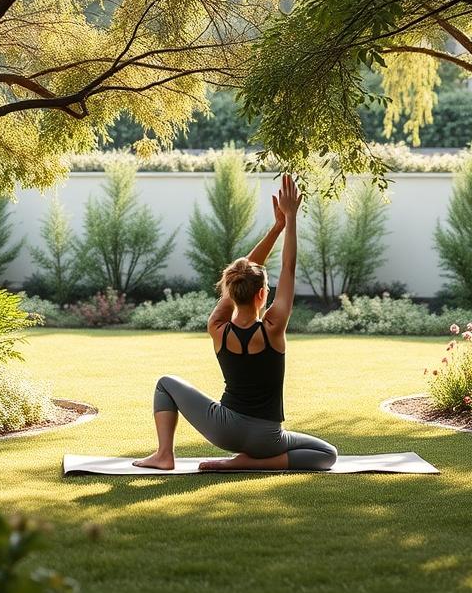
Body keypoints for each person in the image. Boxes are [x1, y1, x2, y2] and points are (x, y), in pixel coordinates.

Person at [134, 174, 338, 472]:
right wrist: (290, 219)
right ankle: (250, 464)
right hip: (267, 438)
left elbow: (242, 272)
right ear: (261, 293)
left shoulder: (217, 327)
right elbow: (289, 269)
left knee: (166, 384)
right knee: (326, 454)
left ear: (231, 290)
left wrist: (276, 226)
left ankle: (165, 454)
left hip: (223, 430)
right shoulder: (273, 329)